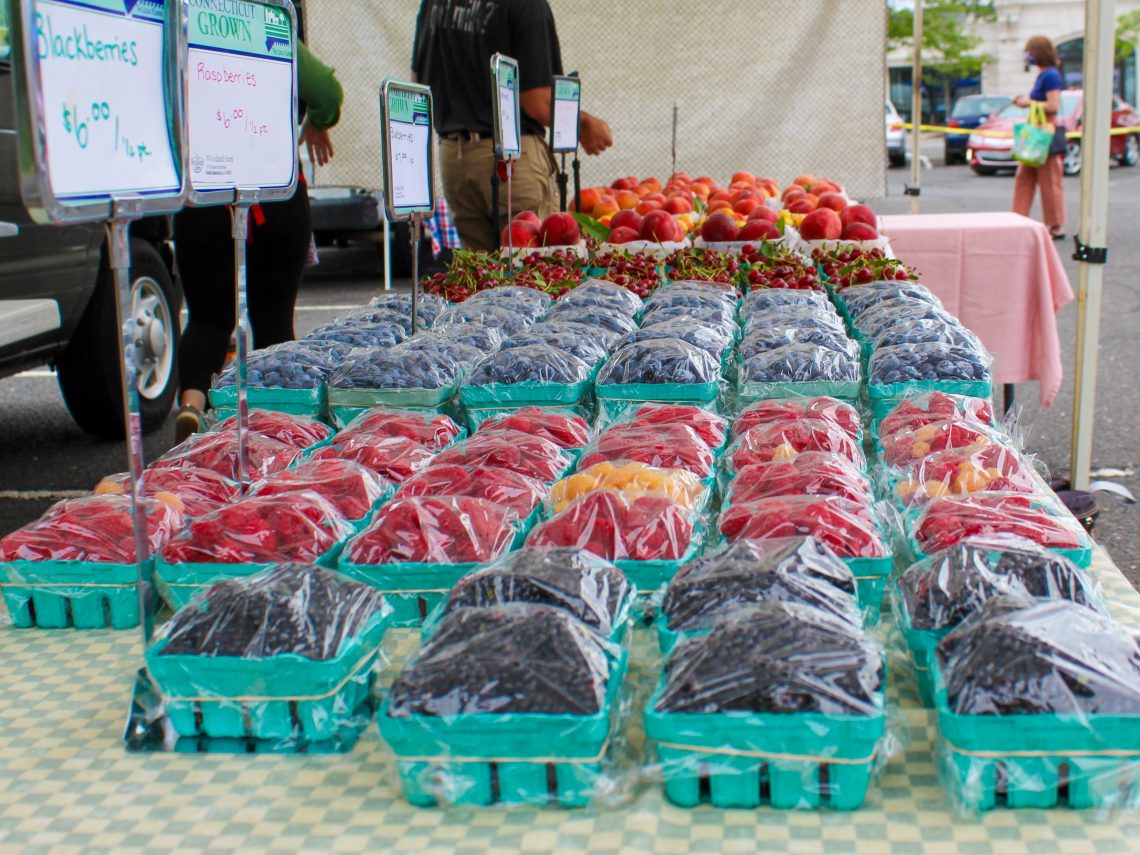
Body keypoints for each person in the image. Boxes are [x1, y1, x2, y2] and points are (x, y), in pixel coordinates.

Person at [173, 43, 344, 443]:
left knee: (207, 319)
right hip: (277, 192)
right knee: (273, 320)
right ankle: (276, 427)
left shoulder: (184, 23)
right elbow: (327, 92)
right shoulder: (269, 22)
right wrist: (319, 119)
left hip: (206, 194)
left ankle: (193, 406)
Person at [411, 0, 613, 251]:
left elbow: (418, 82)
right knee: (537, 271)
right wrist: (584, 123)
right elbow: (537, 103)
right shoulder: (526, 5)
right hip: (511, 158)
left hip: (454, 157)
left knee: (481, 276)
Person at [1012, 35, 1066, 240]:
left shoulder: (1051, 75)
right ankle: (1017, 218)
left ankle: (1056, 223)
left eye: (1030, 52)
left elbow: (1053, 105)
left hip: (1045, 130)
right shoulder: (1044, 75)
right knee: (1024, 176)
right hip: (1036, 129)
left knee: (1049, 179)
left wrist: (1027, 102)